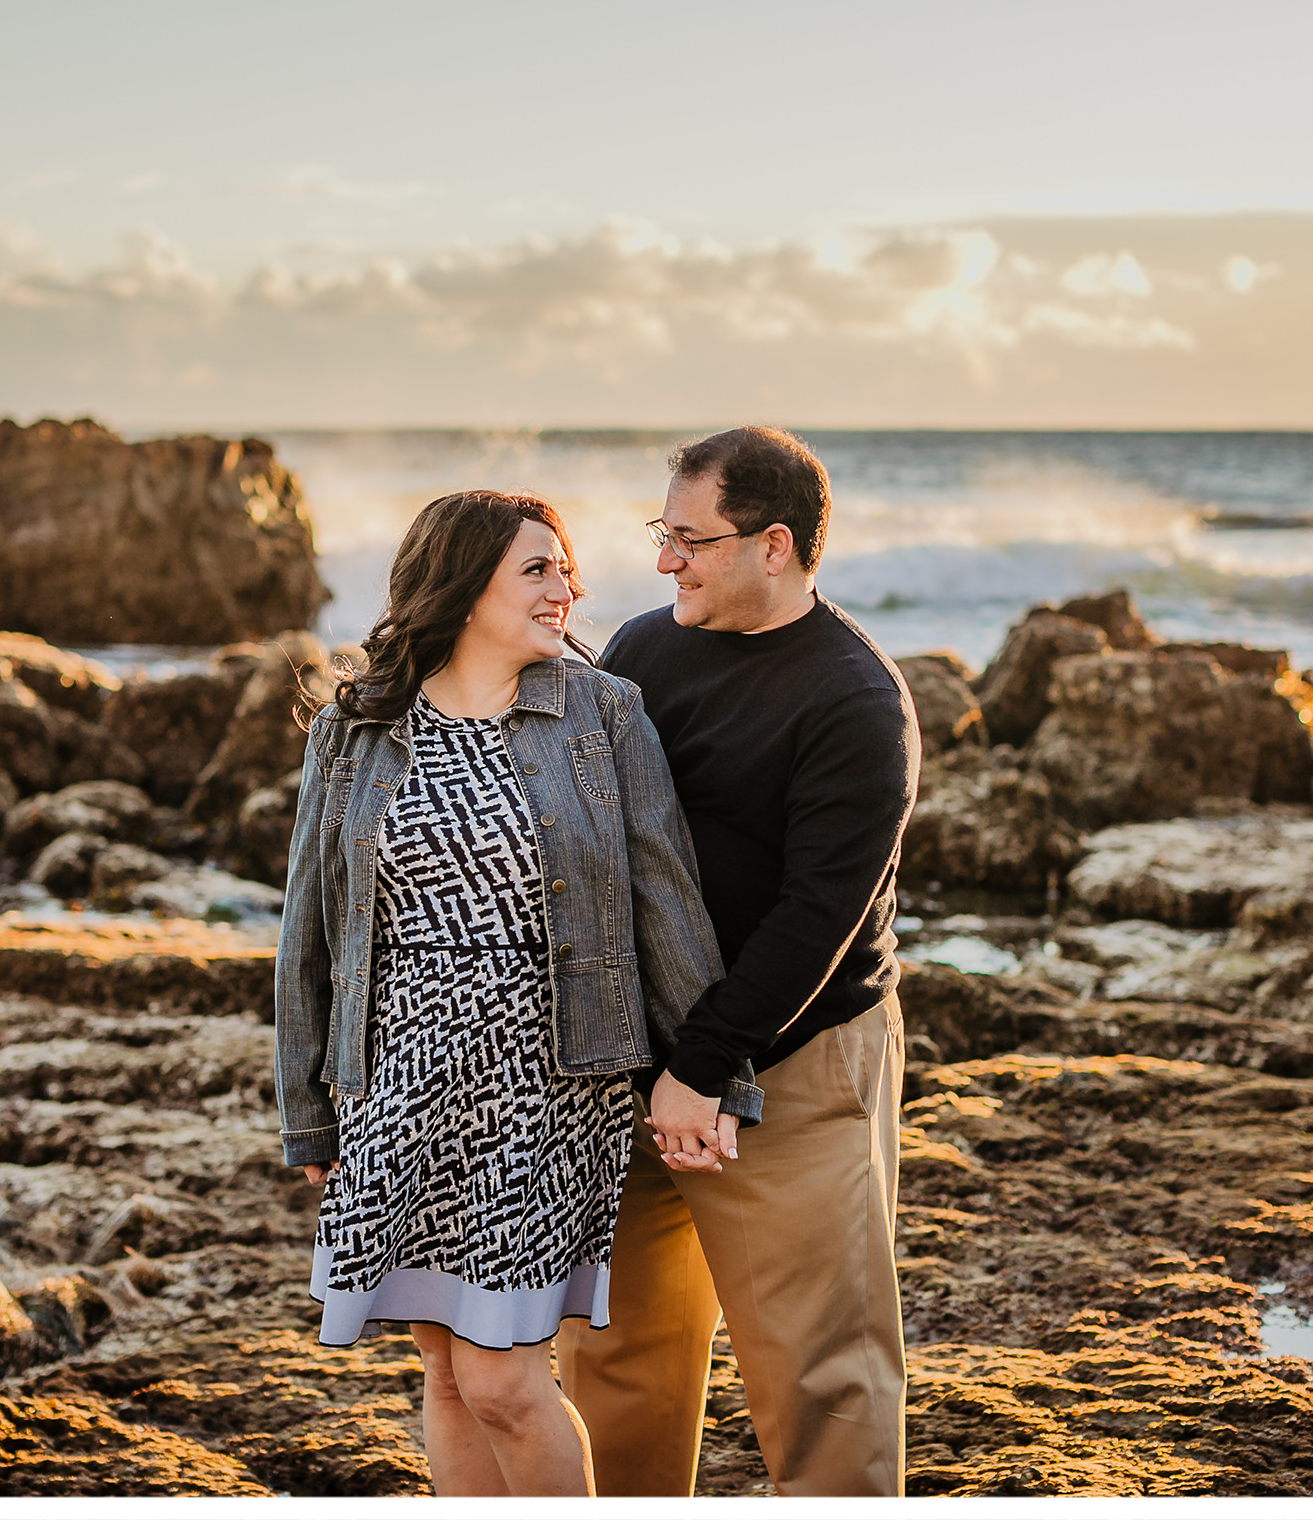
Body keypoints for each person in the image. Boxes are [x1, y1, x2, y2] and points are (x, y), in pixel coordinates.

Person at [272, 489, 762, 1498]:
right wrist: (309, 1117)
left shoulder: (600, 713)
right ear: (461, 584)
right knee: (445, 1372)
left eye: (566, 566)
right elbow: (309, 938)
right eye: (539, 568)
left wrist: (712, 1076)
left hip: (543, 1089)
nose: (567, 587)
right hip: (394, 1090)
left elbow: (664, 903)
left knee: (501, 1376)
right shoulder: (357, 725)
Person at [556, 426, 919, 1497]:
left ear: (774, 544)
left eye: (688, 538)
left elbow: (821, 918)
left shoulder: (855, 701)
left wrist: (704, 1065)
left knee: (821, 1377)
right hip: (632, 1061)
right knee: (614, 1359)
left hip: (791, 1056)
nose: (665, 558)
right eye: (660, 532)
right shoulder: (644, 648)